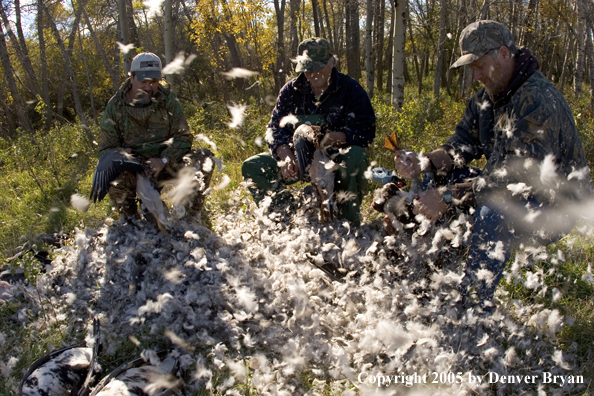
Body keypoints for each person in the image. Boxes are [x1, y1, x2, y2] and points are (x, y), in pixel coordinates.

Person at [391, 21, 591, 308]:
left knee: (493, 211)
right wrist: (425, 162)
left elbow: (518, 176)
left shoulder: (537, 99)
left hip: (554, 205)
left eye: (480, 66)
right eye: (472, 68)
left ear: (504, 55)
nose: (476, 76)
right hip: (509, 185)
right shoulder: (487, 98)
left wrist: (448, 196)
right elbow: (460, 144)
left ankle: (471, 308)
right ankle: (426, 275)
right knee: (434, 180)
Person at [242, 38, 376, 225]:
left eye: (318, 67)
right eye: (308, 68)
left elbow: (366, 129)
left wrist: (334, 138)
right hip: (298, 157)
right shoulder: (290, 90)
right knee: (253, 166)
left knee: (357, 156)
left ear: (331, 62)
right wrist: (287, 156)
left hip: (336, 158)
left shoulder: (350, 89)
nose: (313, 73)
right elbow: (274, 130)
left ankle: (347, 221)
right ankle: (285, 215)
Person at [97, 52, 214, 220]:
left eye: (153, 82)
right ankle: (130, 220)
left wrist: (164, 160)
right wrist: (123, 157)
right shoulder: (115, 106)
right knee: (112, 171)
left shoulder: (167, 99)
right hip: (133, 172)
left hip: (165, 164)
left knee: (204, 159)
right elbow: (105, 151)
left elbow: (184, 137)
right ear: (132, 78)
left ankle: (190, 217)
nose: (148, 87)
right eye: (143, 81)